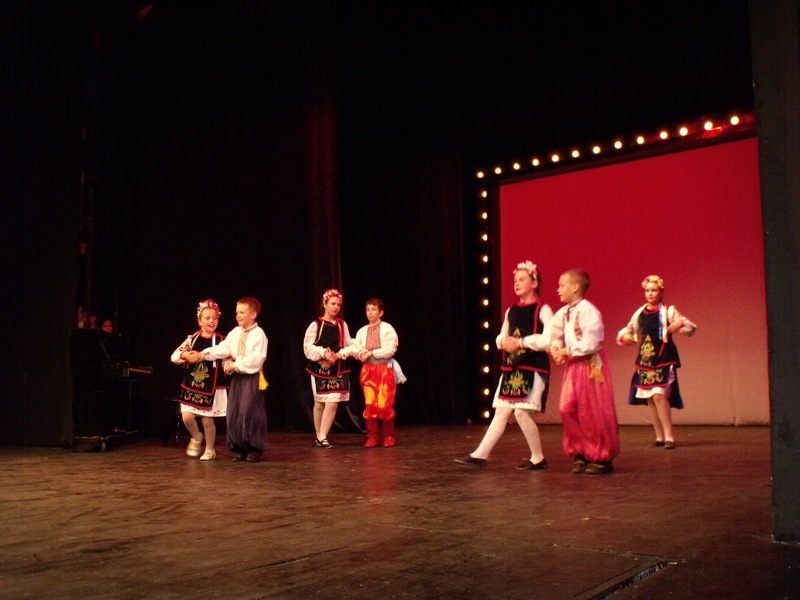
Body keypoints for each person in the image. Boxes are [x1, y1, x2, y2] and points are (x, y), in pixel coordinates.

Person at [455, 261, 553, 470]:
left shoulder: (543, 310)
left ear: (534, 283)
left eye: (522, 279)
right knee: (501, 412)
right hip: (513, 368)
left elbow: (548, 340)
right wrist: (504, 342)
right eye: (515, 280)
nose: (516, 283)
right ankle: (480, 454)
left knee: (521, 413)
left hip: (533, 368)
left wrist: (522, 342)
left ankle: (538, 457)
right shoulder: (512, 310)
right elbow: (501, 335)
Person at [544, 268, 619, 475]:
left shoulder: (588, 311)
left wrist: (566, 351)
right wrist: (556, 349)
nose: (558, 289)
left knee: (592, 411)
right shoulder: (564, 312)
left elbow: (591, 343)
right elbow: (551, 334)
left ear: (575, 287)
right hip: (574, 365)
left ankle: (602, 457)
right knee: (567, 408)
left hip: (591, 364)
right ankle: (581, 451)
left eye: (562, 285)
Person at [617, 275, 697, 449]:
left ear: (661, 292)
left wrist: (681, 323)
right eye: (647, 290)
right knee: (650, 399)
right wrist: (624, 336)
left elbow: (690, 329)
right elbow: (627, 329)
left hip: (664, 357)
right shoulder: (640, 313)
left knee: (659, 395)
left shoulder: (668, 311)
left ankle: (669, 437)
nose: (650, 293)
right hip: (646, 359)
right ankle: (659, 437)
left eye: (654, 290)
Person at [188, 297, 268, 462]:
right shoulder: (235, 332)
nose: (238, 316)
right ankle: (239, 447)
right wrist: (203, 354)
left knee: (249, 412)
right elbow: (223, 349)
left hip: (251, 377)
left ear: (253, 315)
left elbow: (256, 359)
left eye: (242, 312)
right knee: (235, 412)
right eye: (237, 313)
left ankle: (254, 447)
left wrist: (235, 365)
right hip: (237, 378)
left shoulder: (258, 334)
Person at [170, 299, 229, 461]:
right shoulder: (192, 339)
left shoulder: (222, 341)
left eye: (215, 318)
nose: (211, 321)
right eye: (207, 318)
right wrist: (185, 355)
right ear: (199, 321)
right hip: (192, 383)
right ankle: (196, 437)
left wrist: (228, 367)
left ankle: (210, 449)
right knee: (187, 417)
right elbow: (174, 356)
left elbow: (225, 358)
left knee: (207, 420)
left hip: (211, 384)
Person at [348, 298, 406, 448]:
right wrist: (360, 353)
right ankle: (372, 436)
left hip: (384, 369)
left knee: (384, 404)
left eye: (373, 309)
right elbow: (355, 347)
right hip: (368, 370)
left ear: (381, 312)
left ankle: (389, 436)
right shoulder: (362, 331)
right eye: (368, 310)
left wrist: (371, 353)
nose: (370, 312)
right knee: (370, 404)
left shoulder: (387, 329)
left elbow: (389, 350)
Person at [303, 289, 353, 449]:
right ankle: (319, 435)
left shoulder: (342, 325)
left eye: (338, 304)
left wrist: (339, 355)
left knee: (332, 403)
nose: (336, 307)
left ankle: (323, 436)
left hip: (338, 368)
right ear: (324, 304)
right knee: (319, 403)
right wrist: (323, 352)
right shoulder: (316, 325)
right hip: (320, 368)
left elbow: (349, 345)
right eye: (332, 304)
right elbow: (307, 347)